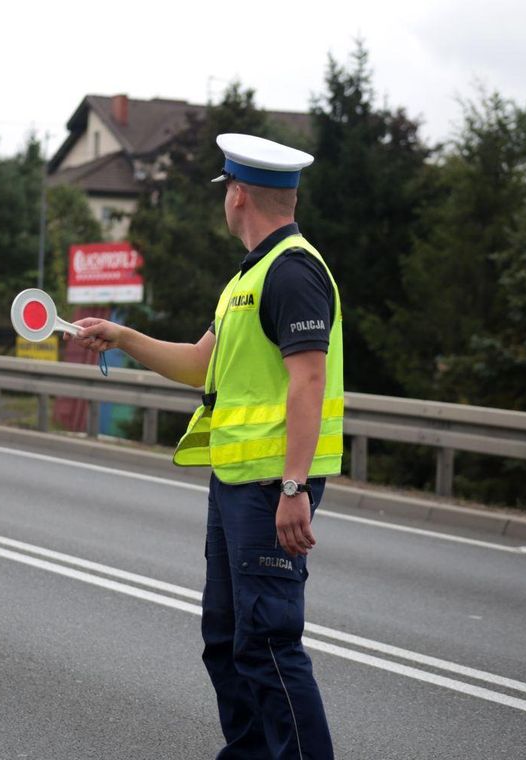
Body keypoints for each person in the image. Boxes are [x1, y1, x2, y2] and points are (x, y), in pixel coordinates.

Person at [71, 133, 343, 760]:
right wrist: (121, 335)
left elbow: (309, 379)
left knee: (269, 642)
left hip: (273, 484)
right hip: (236, 482)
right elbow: (201, 365)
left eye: (226, 191)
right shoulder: (247, 278)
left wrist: (296, 487)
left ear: (239, 194)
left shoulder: (293, 270)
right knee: (227, 640)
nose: (225, 200)